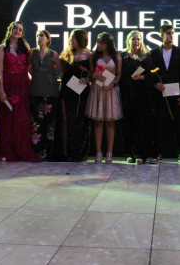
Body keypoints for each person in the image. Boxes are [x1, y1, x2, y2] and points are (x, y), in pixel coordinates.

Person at [0, 21, 39, 162]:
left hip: (22, 85)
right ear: (10, 29)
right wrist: (1, 91)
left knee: (22, 119)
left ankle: (21, 149)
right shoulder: (2, 48)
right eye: (15, 28)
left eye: (20, 29)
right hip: (8, 85)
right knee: (7, 118)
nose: (17, 31)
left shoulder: (25, 47)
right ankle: (6, 151)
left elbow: (29, 67)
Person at [146, 24, 180, 163]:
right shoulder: (153, 52)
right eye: (168, 33)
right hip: (159, 94)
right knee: (158, 124)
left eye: (172, 33)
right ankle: (156, 153)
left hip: (176, 93)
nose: (170, 35)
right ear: (161, 35)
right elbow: (150, 73)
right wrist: (156, 84)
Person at [87, 32, 123, 163]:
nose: (98, 44)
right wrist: (95, 75)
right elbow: (91, 74)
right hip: (98, 89)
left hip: (111, 90)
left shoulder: (117, 56)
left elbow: (119, 75)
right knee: (98, 121)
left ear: (108, 44)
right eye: (97, 42)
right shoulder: (93, 56)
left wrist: (113, 83)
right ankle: (98, 152)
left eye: (101, 42)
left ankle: (109, 153)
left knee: (110, 122)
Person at [57, 29, 93, 162]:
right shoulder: (66, 53)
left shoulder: (89, 54)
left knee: (81, 120)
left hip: (82, 92)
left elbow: (93, 74)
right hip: (67, 90)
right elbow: (62, 72)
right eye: (70, 38)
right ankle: (66, 152)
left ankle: (79, 152)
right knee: (66, 120)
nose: (71, 40)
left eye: (74, 38)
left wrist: (87, 79)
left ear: (81, 39)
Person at [120, 30, 151, 164]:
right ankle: (128, 153)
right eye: (133, 39)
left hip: (141, 95)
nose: (136, 41)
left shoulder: (146, 57)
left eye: (138, 39)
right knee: (127, 125)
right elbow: (117, 73)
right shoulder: (122, 56)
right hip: (126, 95)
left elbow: (153, 74)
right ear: (128, 41)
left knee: (141, 125)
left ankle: (140, 153)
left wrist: (142, 77)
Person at [29, 30, 61, 161]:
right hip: (35, 92)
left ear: (48, 39)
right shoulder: (32, 52)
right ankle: (37, 153)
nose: (39, 38)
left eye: (42, 36)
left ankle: (49, 154)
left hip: (51, 92)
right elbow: (25, 68)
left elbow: (61, 71)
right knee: (36, 124)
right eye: (37, 36)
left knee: (50, 124)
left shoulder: (53, 54)